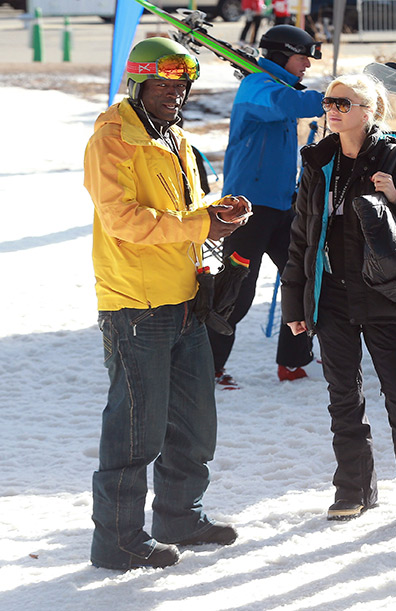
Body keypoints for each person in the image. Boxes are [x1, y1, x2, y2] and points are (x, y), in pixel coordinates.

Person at [84, 37, 251, 570]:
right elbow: (123, 220)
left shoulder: (174, 136)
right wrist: (202, 223)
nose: (174, 96)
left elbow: (184, 204)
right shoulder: (114, 140)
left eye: (181, 87)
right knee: (136, 429)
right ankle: (116, 539)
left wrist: (216, 209)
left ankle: (180, 515)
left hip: (185, 298)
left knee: (195, 424)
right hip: (135, 302)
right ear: (137, 83)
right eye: (163, 85)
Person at [281, 74, 396, 523]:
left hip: (387, 296)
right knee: (343, 398)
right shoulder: (318, 162)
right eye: (328, 101)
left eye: (344, 102)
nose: (332, 109)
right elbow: (301, 238)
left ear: (370, 110)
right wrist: (296, 305)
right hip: (332, 298)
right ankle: (353, 490)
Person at [208, 25, 324, 388]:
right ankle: (206, 368)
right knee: (236, 292)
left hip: (280, 205)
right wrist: (336, 97)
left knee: (303, 278)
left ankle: (292, 361)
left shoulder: (281, 86)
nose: (306, 63)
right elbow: (285, 105)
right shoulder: (256, 87)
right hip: (244, 209)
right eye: (302, 55)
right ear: (281, 54)